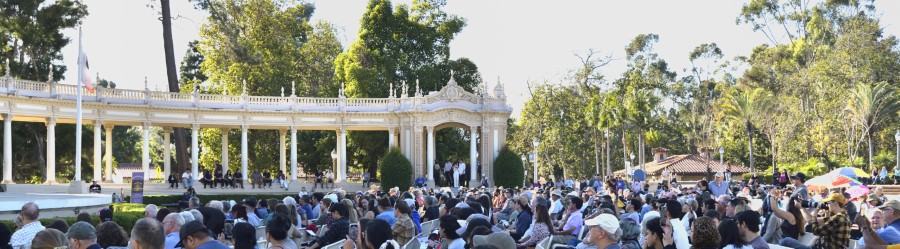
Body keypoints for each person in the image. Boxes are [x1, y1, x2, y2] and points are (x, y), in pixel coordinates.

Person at [780, 193, 851, 249]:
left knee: (786, 241)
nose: (827, 205)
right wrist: (827, 214)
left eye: (829, 203)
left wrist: (812, 211)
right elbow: (824, 225)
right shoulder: (844, 216)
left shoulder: (838, 218)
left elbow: (815, 231)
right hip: (819, 246)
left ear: (835, 204)